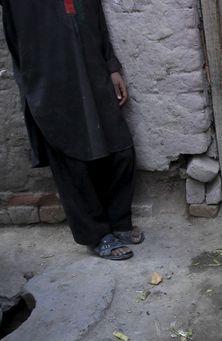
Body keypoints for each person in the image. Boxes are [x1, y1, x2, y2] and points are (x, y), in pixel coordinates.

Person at [1, 0, 143, 260]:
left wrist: (111, 66)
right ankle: (96, 235)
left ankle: (118, 221)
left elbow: (97, 19)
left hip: (92, 68)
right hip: (48, 75)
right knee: (70, 156)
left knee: (121, 149)